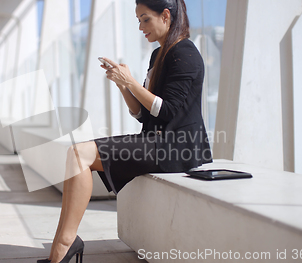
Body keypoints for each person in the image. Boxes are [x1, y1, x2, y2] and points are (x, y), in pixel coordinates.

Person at [37, 0, 212, 262]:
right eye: (138, 20)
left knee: (79, 154)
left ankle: (64, 245)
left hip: (176, 147)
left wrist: (130, 80)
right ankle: (63, 244)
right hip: (155, 140)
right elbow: (143, 112)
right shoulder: (158, 54)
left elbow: (168, 112)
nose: (141, 27)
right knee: (77, 154)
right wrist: (123, 86)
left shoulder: (185, 54)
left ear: (166, 15)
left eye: (145, 19)